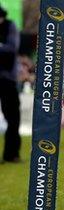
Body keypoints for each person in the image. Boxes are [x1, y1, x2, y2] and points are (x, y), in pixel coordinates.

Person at [0, 5, 20, 163]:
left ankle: (11, 154)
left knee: (13, 118)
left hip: (7, 79)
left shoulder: (10, 26)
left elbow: (11, 48)